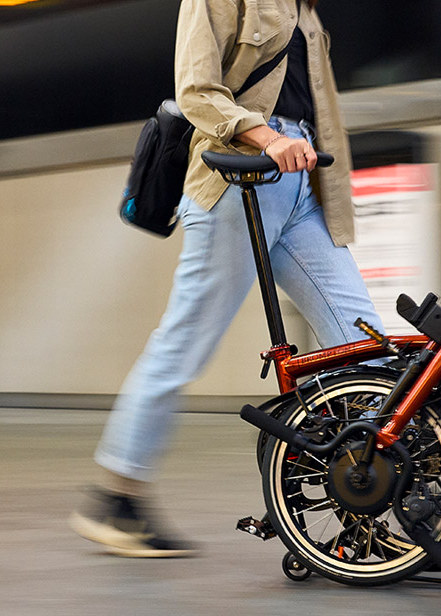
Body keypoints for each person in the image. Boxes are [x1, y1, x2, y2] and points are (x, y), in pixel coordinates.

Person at [69, 0, 384, 558]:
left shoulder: (305, 10)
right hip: (236, 180)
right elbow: (196, 90)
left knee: (364, 340)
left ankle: (419, 487)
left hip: (303, 183)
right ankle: (116, 497)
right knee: (184, 341)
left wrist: (308, 161)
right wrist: (269, 139)